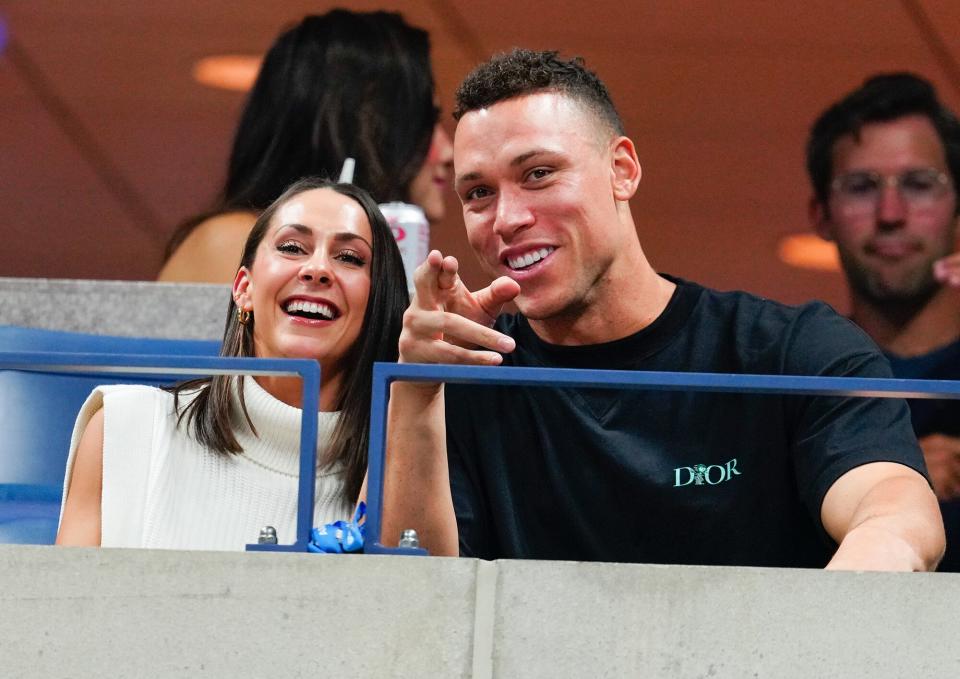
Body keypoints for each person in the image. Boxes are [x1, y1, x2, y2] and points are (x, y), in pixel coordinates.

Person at [383, 49, 944, 570]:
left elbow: (894, 510)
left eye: (538, 174)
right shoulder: (458, 377)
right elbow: (405, 599)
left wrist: (825, 625)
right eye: (478, 193)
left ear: (622, 170)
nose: (506, 218)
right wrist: (415, 394)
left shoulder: (792, 350)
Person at [57, 177, 408, 549]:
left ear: (378, 305)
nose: (318, 269)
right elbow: (64, 604)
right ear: (244, 289)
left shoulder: (400, 476)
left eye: (349, 258)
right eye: (292, 248)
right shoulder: (124, 428)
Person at [158, 9, 452, 283]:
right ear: (368, 125)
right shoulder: (233, 241)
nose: (449, 151)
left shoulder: (375, 254)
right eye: (428, 122)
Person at [807, 73, 960, 570]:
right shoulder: (800, 379)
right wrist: (885, 477)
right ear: (821, 216)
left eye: (919, 184)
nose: (891, 213)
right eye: (861, 187)